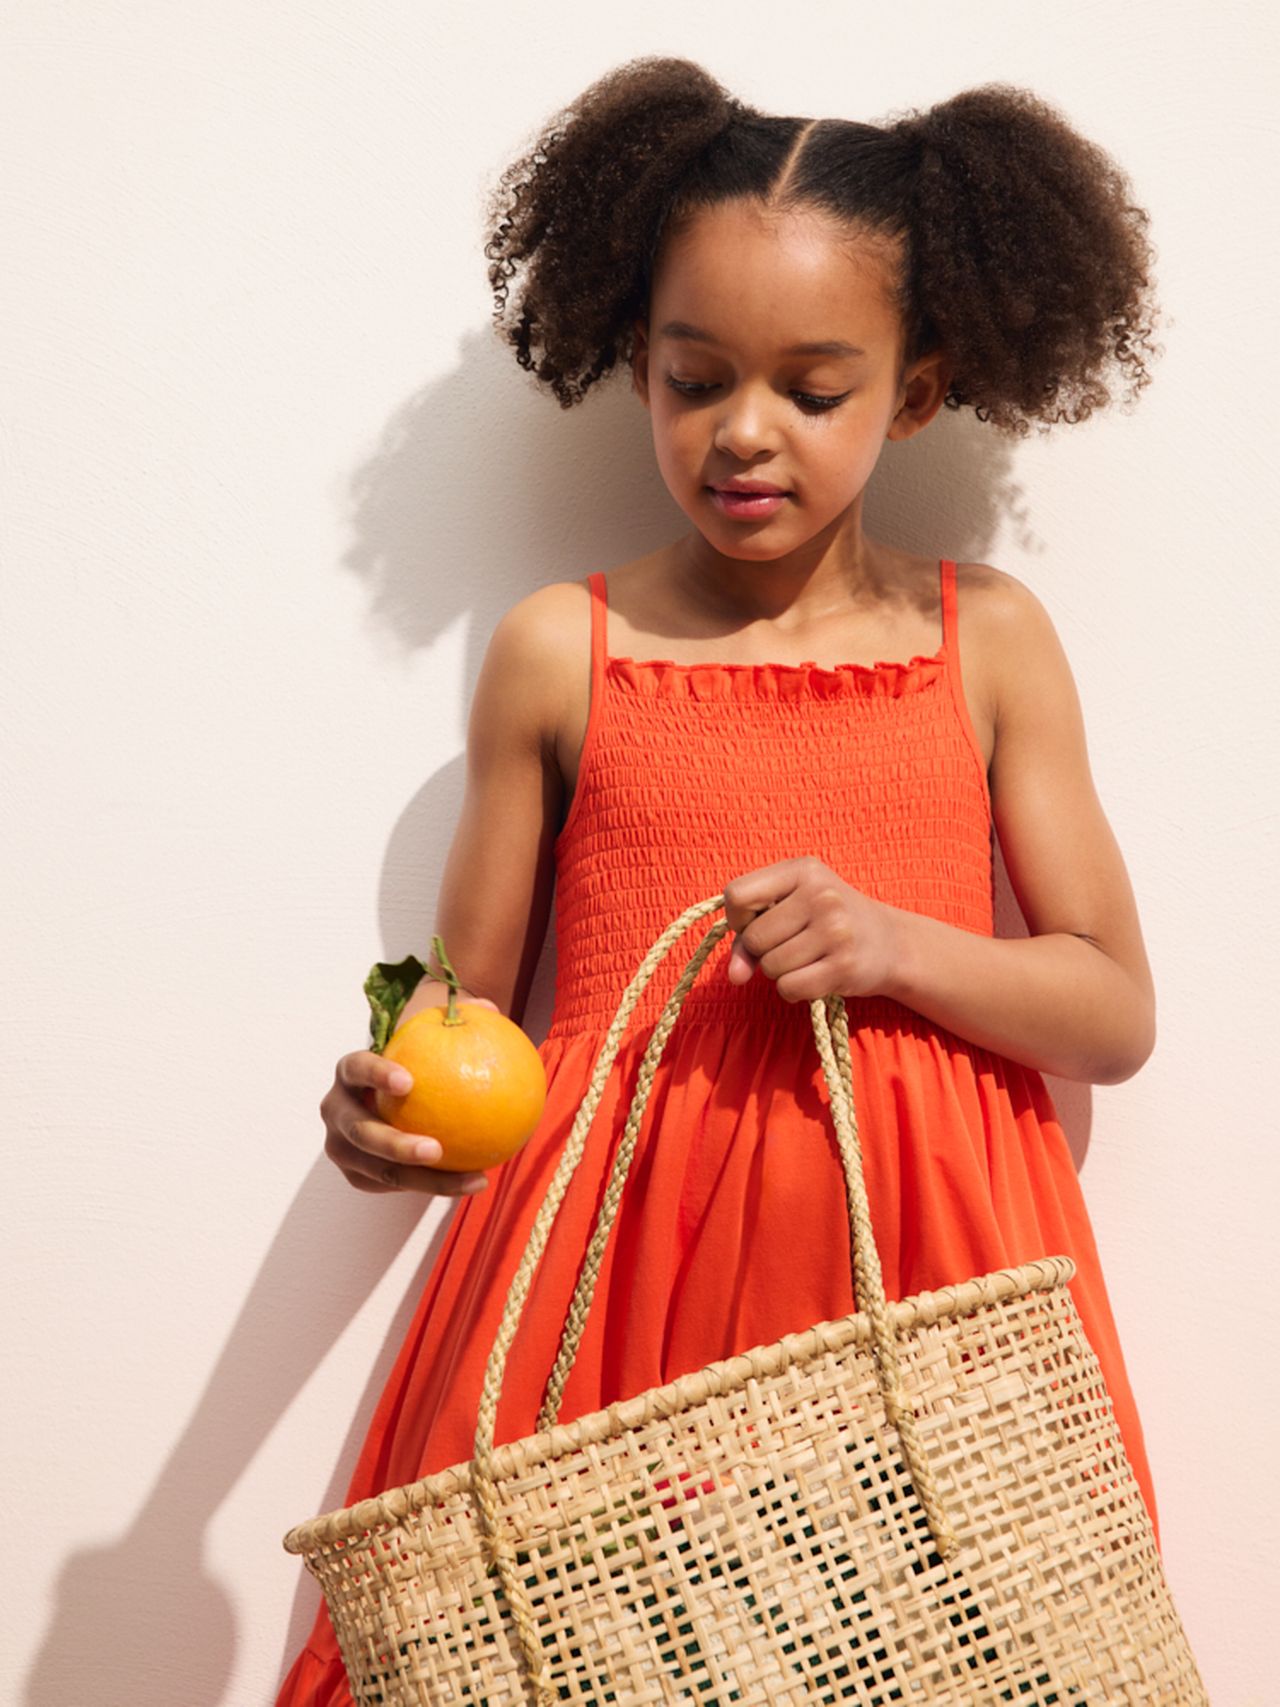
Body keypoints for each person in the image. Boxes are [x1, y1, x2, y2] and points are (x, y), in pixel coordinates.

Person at [278, 56, 1164, 1704]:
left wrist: (898, 944)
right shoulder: (563, 652)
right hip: (608, 1297)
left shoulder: (989, 641)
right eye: (696, 380)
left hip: (927, 1277)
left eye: (815, 391)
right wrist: (388, 1124)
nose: (744, 432)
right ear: (638, 365)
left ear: (916, 391)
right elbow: (467, 1027)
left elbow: (1111, 1007)